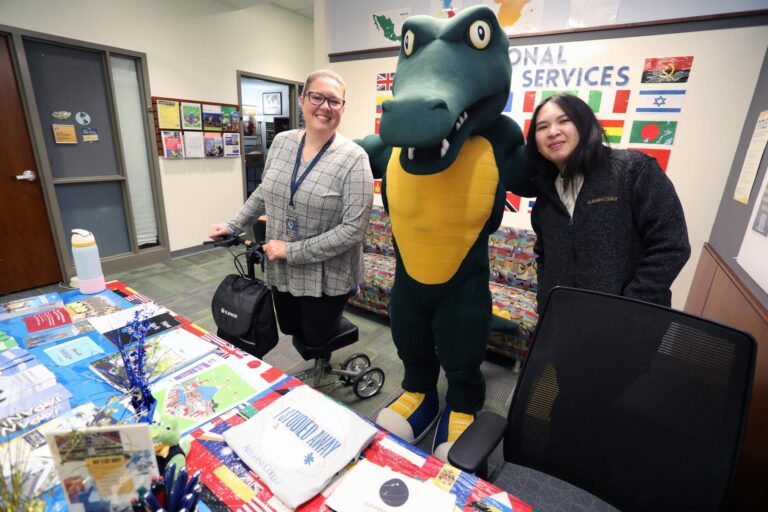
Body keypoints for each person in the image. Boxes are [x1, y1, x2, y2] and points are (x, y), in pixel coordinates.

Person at [209, 69, 374, 346]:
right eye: (317, 97)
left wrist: (291, 250)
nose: (325, 107)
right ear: (303, 100)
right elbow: (265, 190)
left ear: (342, 108)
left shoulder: (354, 159)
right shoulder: (282, 143)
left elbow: (353, 230)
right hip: (282, 268)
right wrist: (233, 225)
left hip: (327, 274)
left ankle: (321, 373)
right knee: (291, 330)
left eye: (334, 101)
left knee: (314, 336)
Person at [526, 93, 690, 311]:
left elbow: (672, 245)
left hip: (630, 322)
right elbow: (544, 254)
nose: (553, 132)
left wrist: (630, 304)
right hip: (564, 320)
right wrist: (545, 299)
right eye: (542, 127)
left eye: (564, 121)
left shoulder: (632, 170)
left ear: (585, 126)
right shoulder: (546, 194)